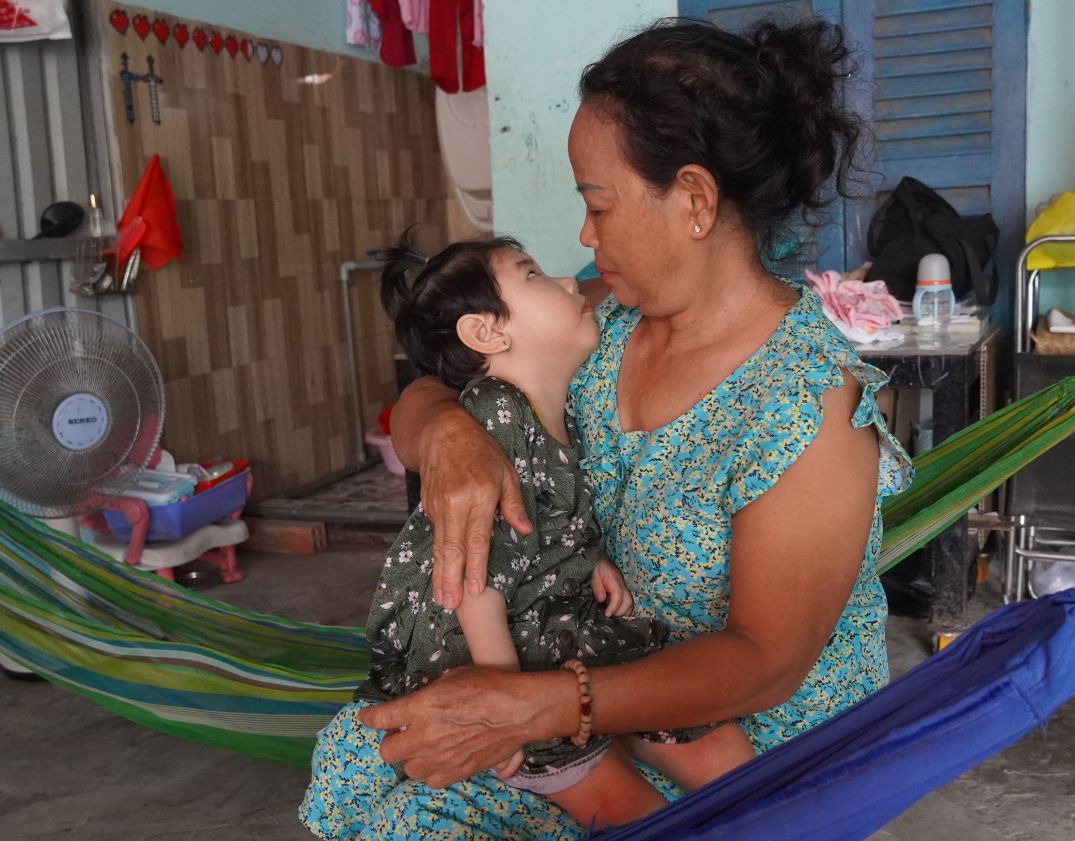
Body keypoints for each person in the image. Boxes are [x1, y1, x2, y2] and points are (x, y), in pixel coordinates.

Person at [300, 16, 912, 841]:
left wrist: (541, 703)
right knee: (370, 766)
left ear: (693, 199)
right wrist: (447, 434)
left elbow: (764, 662)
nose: (584, 237)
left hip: (737, 744)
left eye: (597, 204)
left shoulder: (806, 403)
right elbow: (433, 384)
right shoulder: (598, 320)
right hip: (571, 676)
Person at [352, 232, 754, 829]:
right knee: (631, 812)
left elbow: (540, 517)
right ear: (487, 332)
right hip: (492, 654)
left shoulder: (553, 411)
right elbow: (474, 583)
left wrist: (586, 559)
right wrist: (503, 706)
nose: (569, 281)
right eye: (533, 275)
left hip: (551, 627)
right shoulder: (497, 414)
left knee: (729, 761)